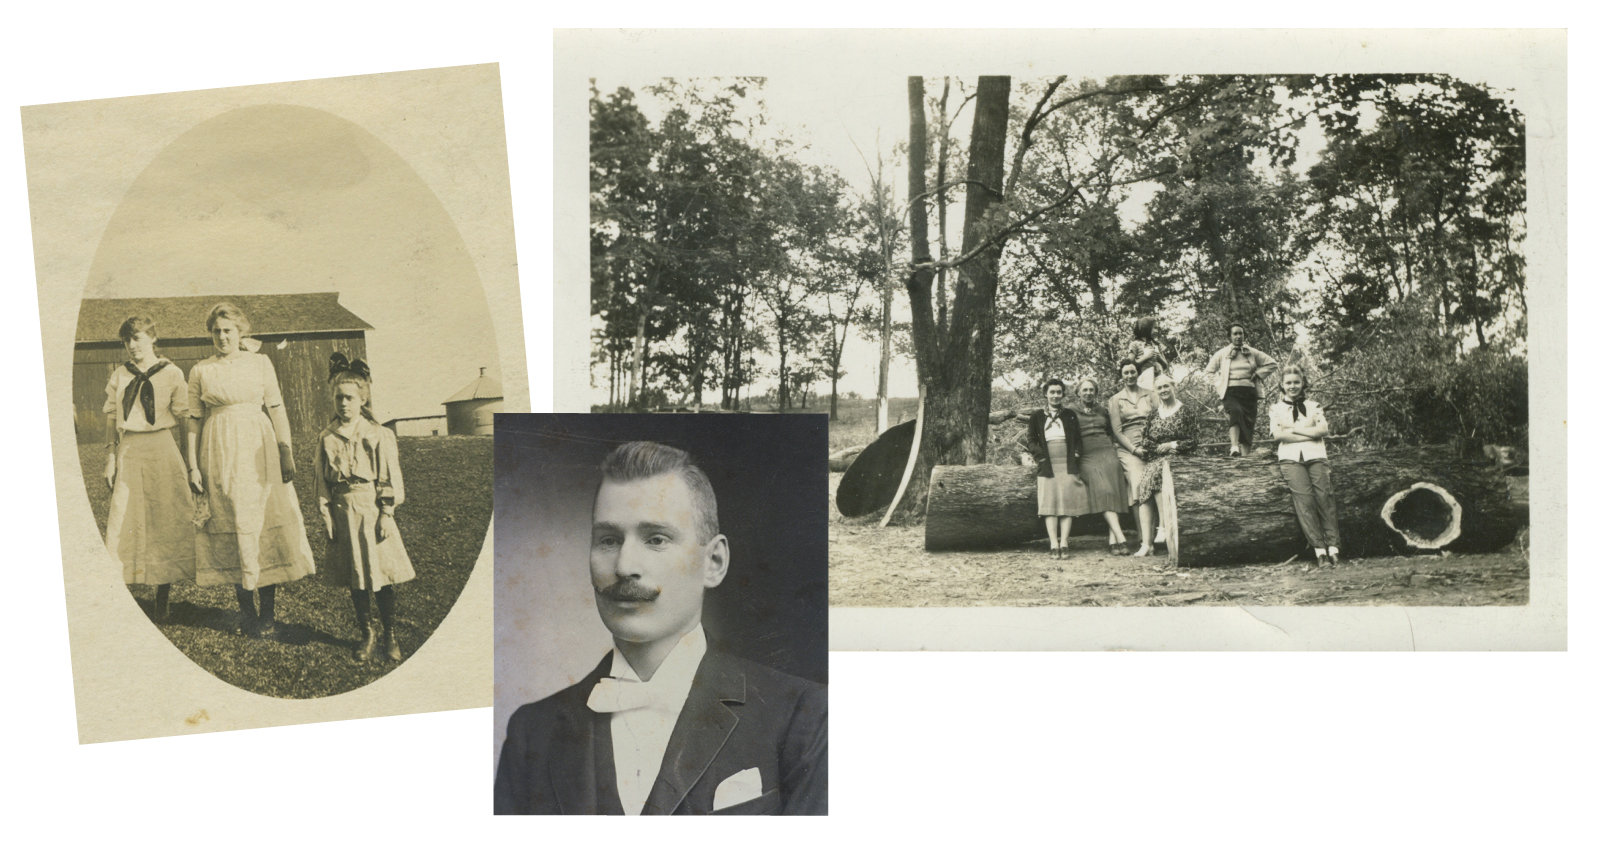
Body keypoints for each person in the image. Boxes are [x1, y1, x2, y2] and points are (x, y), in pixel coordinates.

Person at [495, 441, 827, 815]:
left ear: (713, 562)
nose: (624, 566)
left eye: (656, 539)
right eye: (608, 540)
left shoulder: (806, 715)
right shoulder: (532, 733)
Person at [186, 302, 315, 638]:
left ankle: (268, 616)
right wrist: (193, 466)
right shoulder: (200, 370)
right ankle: (247, 614)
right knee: (231, 523)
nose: (222, 336)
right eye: (216, 331)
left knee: (260, 525)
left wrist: (285, 451)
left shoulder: (260, 363)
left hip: (259, 451)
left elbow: (277, 407)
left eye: (228, 330)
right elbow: (193, 420)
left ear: (240, 331)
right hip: (218, 452)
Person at [315, 355, 417, 661]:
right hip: (343, 511)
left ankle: (390, 635)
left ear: (362, 399)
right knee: (356, 577)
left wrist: (387, 513)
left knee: (380, 577)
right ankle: (367, 633)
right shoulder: (326, 437)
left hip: (371, 510)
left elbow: (389, 475)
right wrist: (326, 513)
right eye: (338, 398)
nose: (344, 404)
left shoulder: (378, 433)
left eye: (350, 398)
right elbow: (321, 481)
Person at [102, 316, 194, 620]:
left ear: (153, 338)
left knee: (164, 521)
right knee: (125, 519)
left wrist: (187, 461)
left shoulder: (172, 373)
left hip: (162, 449)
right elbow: (111, 416)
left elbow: (183, 416)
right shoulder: (120, 375)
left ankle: (162, 598)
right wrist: (111, 457)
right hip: (129, 449)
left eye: (137, 338)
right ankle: (123, 599)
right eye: (126, 340)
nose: (131, 346)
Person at [1269, 366, 1342, 567]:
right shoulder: (1276, 409)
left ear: (1303, 384)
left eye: (1296, 382)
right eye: (1288, 383)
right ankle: (1320, 551)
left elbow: (1324, 430)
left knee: (1324, 498)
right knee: (1305, 502)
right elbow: (1278, 435)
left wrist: (1294, 429)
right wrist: (1308, 431)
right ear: (1282, 386)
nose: (1293, 386)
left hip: (1316, 455)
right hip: (1290, 459)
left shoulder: (1314, 405)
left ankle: (1334, 548)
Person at [1133, 374, 1199, 556]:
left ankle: (1162, 529)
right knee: (1144, 486)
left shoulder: (1186, 411)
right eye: (1159, 388)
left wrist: (1172, 445)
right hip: (1157, 458)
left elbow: (1194, 439)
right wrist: (1158, 448)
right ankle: (1146, 544)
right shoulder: (1154, 414)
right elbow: (1145, 439)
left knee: (1157, 475)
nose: (1163, 391)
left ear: (1173, 387)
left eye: (1166, 387)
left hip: (1180, 458)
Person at [1068, 378, 1132, 555]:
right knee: (1104, 490)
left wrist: (1111, 450)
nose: (1088, 393)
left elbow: (1112, 433)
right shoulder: (1070, 411)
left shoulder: (1103, 411)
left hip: (1107, 452)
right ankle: (1121, 538)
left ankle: (1113, 541)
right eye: (1085, 390)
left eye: (1091, 390)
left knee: (1115, 489)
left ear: (1096, 392)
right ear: (1078, 392)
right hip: (1086, 455)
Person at [1024, 378, 1083, 559]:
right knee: (1049, 503)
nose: (1056, 396)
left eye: (1059, 392)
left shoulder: (1070, 415)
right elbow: (1031, 440)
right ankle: (1053, 543)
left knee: (1066, 502)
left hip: (1067, 462)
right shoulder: (1036, 416)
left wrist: (1075, 455)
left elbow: (1078, 439)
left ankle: (1064, 542)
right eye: (1052, 392)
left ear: (1063, 394)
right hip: (1047, 463)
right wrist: (1041, 457)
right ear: (1046, 394)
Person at [1204, 322, 1279, 457]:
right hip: (1230, 391)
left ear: (1244, 335)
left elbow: (1273, 364)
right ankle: (1234, 448)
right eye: (1235, 334)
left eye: (1241, 333)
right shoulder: (1221, 353)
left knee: (1249, 423)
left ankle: (1244, 459)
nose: (1238, 336)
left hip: (1249, 392)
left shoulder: (1252, 352)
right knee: (1235, 411)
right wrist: (1220, 382)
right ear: (1230, 336)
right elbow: (1209, 372)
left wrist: (1258, 373)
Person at [1107, 358, 1157, 555]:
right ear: (1121, 376)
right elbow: (1117, 432)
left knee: (1157, 485)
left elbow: (1159, 419)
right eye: (1126, 372)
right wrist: (1135, 450)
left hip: (1152, 444)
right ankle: (1144, 538)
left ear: (1138, 373)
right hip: (1128, 448)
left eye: (1132, 372)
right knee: (1137, 484)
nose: (1129, 376)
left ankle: (1154, 537)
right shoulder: (1115, 400)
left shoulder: (1151, 395)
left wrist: (1152, 444)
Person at [1127, 316, 1171, 391]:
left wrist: (1160, 357)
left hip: (1159, 378)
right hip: (1145, 379)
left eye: (1157, 328)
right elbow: (1129, 365)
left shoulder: (1156, 344)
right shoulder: (1135, 344)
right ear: (1146, 328)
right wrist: (1146, 357)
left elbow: (1165, 365)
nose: (1156, 331)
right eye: (1154, 328)